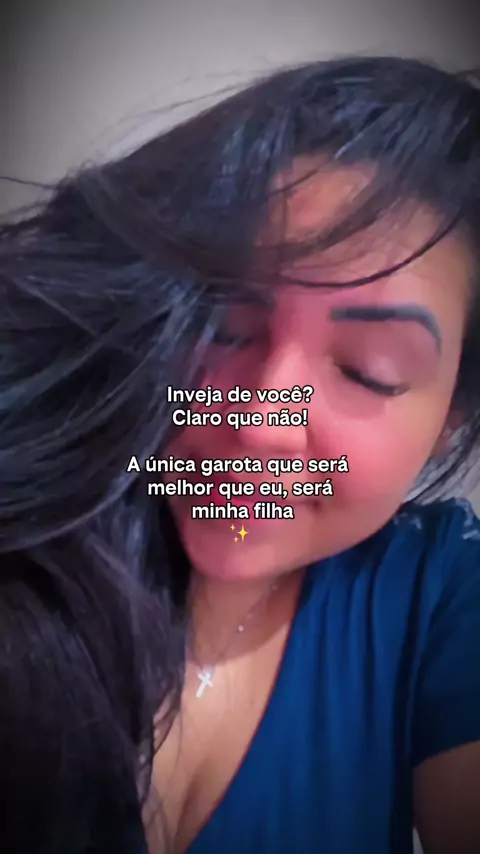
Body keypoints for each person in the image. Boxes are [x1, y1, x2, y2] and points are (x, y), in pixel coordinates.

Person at [1, 54, 480, 854]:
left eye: (370, 370)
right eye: (222, 326)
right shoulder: (42, 542)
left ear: (448, 424)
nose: (259, 419)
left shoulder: (441, 594)